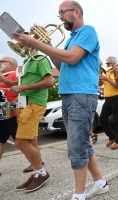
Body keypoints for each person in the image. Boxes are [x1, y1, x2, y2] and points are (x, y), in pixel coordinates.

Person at [12, 1, 109, 199]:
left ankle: (78, 195)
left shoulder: (88, 31)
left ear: (76, 12)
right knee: (82, 143)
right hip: (70, 94)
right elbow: (62, 63)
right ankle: (99, 182)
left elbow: (72, 58)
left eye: (62, 13)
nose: (60, 17)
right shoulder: (71, 39)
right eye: (59, 14)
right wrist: (45, 43)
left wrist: (34, 43)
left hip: (81, 94)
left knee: (76, 147)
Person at [9, 47, 53, 191]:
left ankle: (41, 172)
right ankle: (36, 172)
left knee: (21, 142)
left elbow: (49, 82)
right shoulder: (27, 61)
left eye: (23, 43)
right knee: (31, 141)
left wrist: (23, 87)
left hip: (34, 104)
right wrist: (18, 92)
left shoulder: (40, 59)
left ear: (31, 43)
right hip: (26, 103)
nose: (19, 46)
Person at [99, 56, 118, 150]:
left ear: (113, 63)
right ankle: (112, 136)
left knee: (117, 120)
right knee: (102, 119)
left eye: (108, 64)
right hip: (107, 99)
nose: (107, 65)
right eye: (106, 64)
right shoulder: (107, 72)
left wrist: (107, 79)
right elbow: (100, 84)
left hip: (117, 98)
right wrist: (99, 77)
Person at [0, 56, 19, 176]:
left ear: (11, 64)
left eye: (2, 61)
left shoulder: (15, 75)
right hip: (1, 112)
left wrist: (11, 108)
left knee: (22, 141)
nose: (0, 63)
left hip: (11, 112)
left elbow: (22, 91)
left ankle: (36, 163)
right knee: (0, 140)